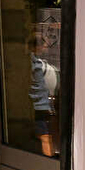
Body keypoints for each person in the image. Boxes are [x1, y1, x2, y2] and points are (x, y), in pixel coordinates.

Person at [28, 29, 60, 157]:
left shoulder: (35, 61)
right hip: (42, 106)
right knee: (46, 137)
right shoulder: (36, 65)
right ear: (37, 47)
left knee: (45, 136)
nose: (46, 45)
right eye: (43, 44)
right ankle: (48, 161)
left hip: (40, 105)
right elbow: (41, 86)